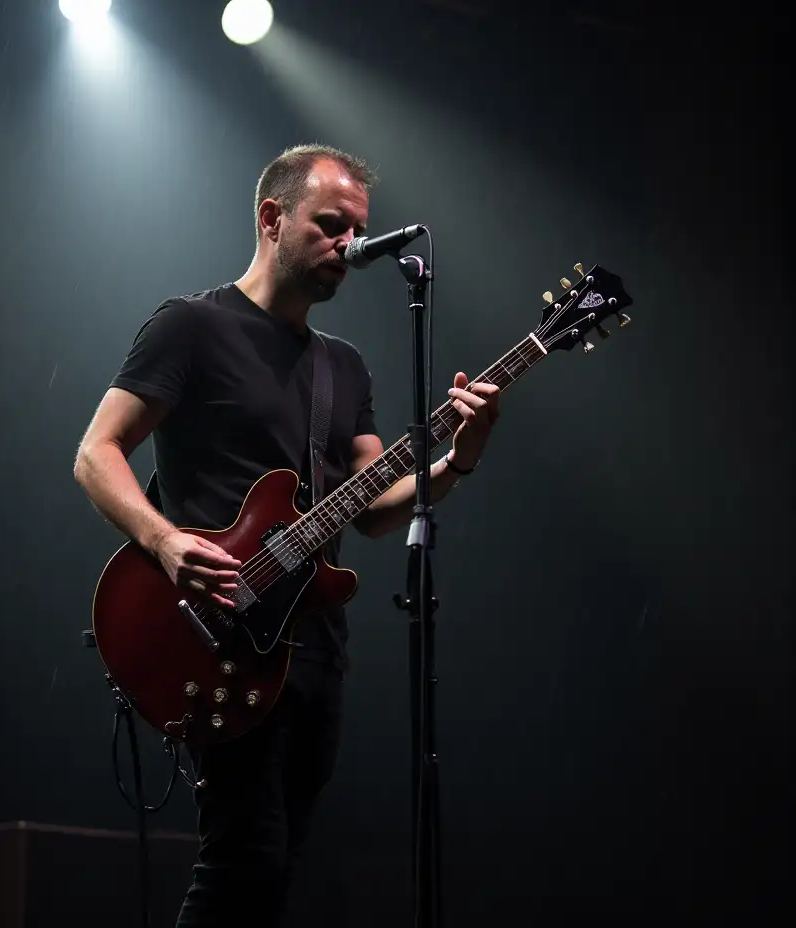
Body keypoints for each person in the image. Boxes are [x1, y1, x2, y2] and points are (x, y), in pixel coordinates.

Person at [73, 144, 502, 927]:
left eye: (357, 232)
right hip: (216, 637)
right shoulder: (191, 327)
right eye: (332, 227)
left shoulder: (344, 368)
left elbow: (373, 504)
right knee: (244, 861)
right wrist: (167, 544)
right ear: (272, 219)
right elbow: (96, 453)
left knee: (275, 874)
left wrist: (456, 460)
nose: (350, 247)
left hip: (310, 650)